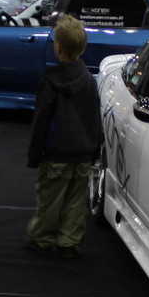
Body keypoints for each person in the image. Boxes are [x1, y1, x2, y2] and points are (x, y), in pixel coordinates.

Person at [25, 15, 103, 258]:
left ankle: (42, 238)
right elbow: (94, 117)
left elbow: (42, 120)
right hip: (82, 152)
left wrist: (34, 154)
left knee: (50, 198)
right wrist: (94, 149)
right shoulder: (89, 81)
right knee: (75, 200)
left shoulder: (50, 81)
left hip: (56, 151)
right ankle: (69, 241)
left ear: (58, 47)